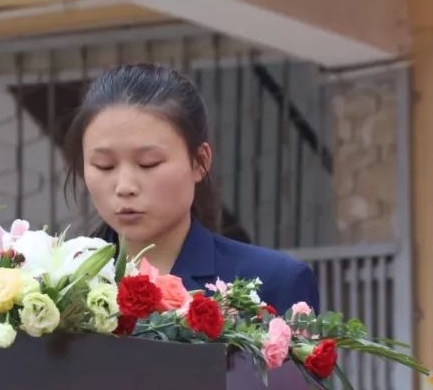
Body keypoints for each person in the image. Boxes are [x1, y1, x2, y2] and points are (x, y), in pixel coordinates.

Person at [63, 63, 320, 313]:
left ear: (200, 161)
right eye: (104, 166)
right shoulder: (54, 283)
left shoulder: (273, 281)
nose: (125, 186)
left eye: (148, 163)